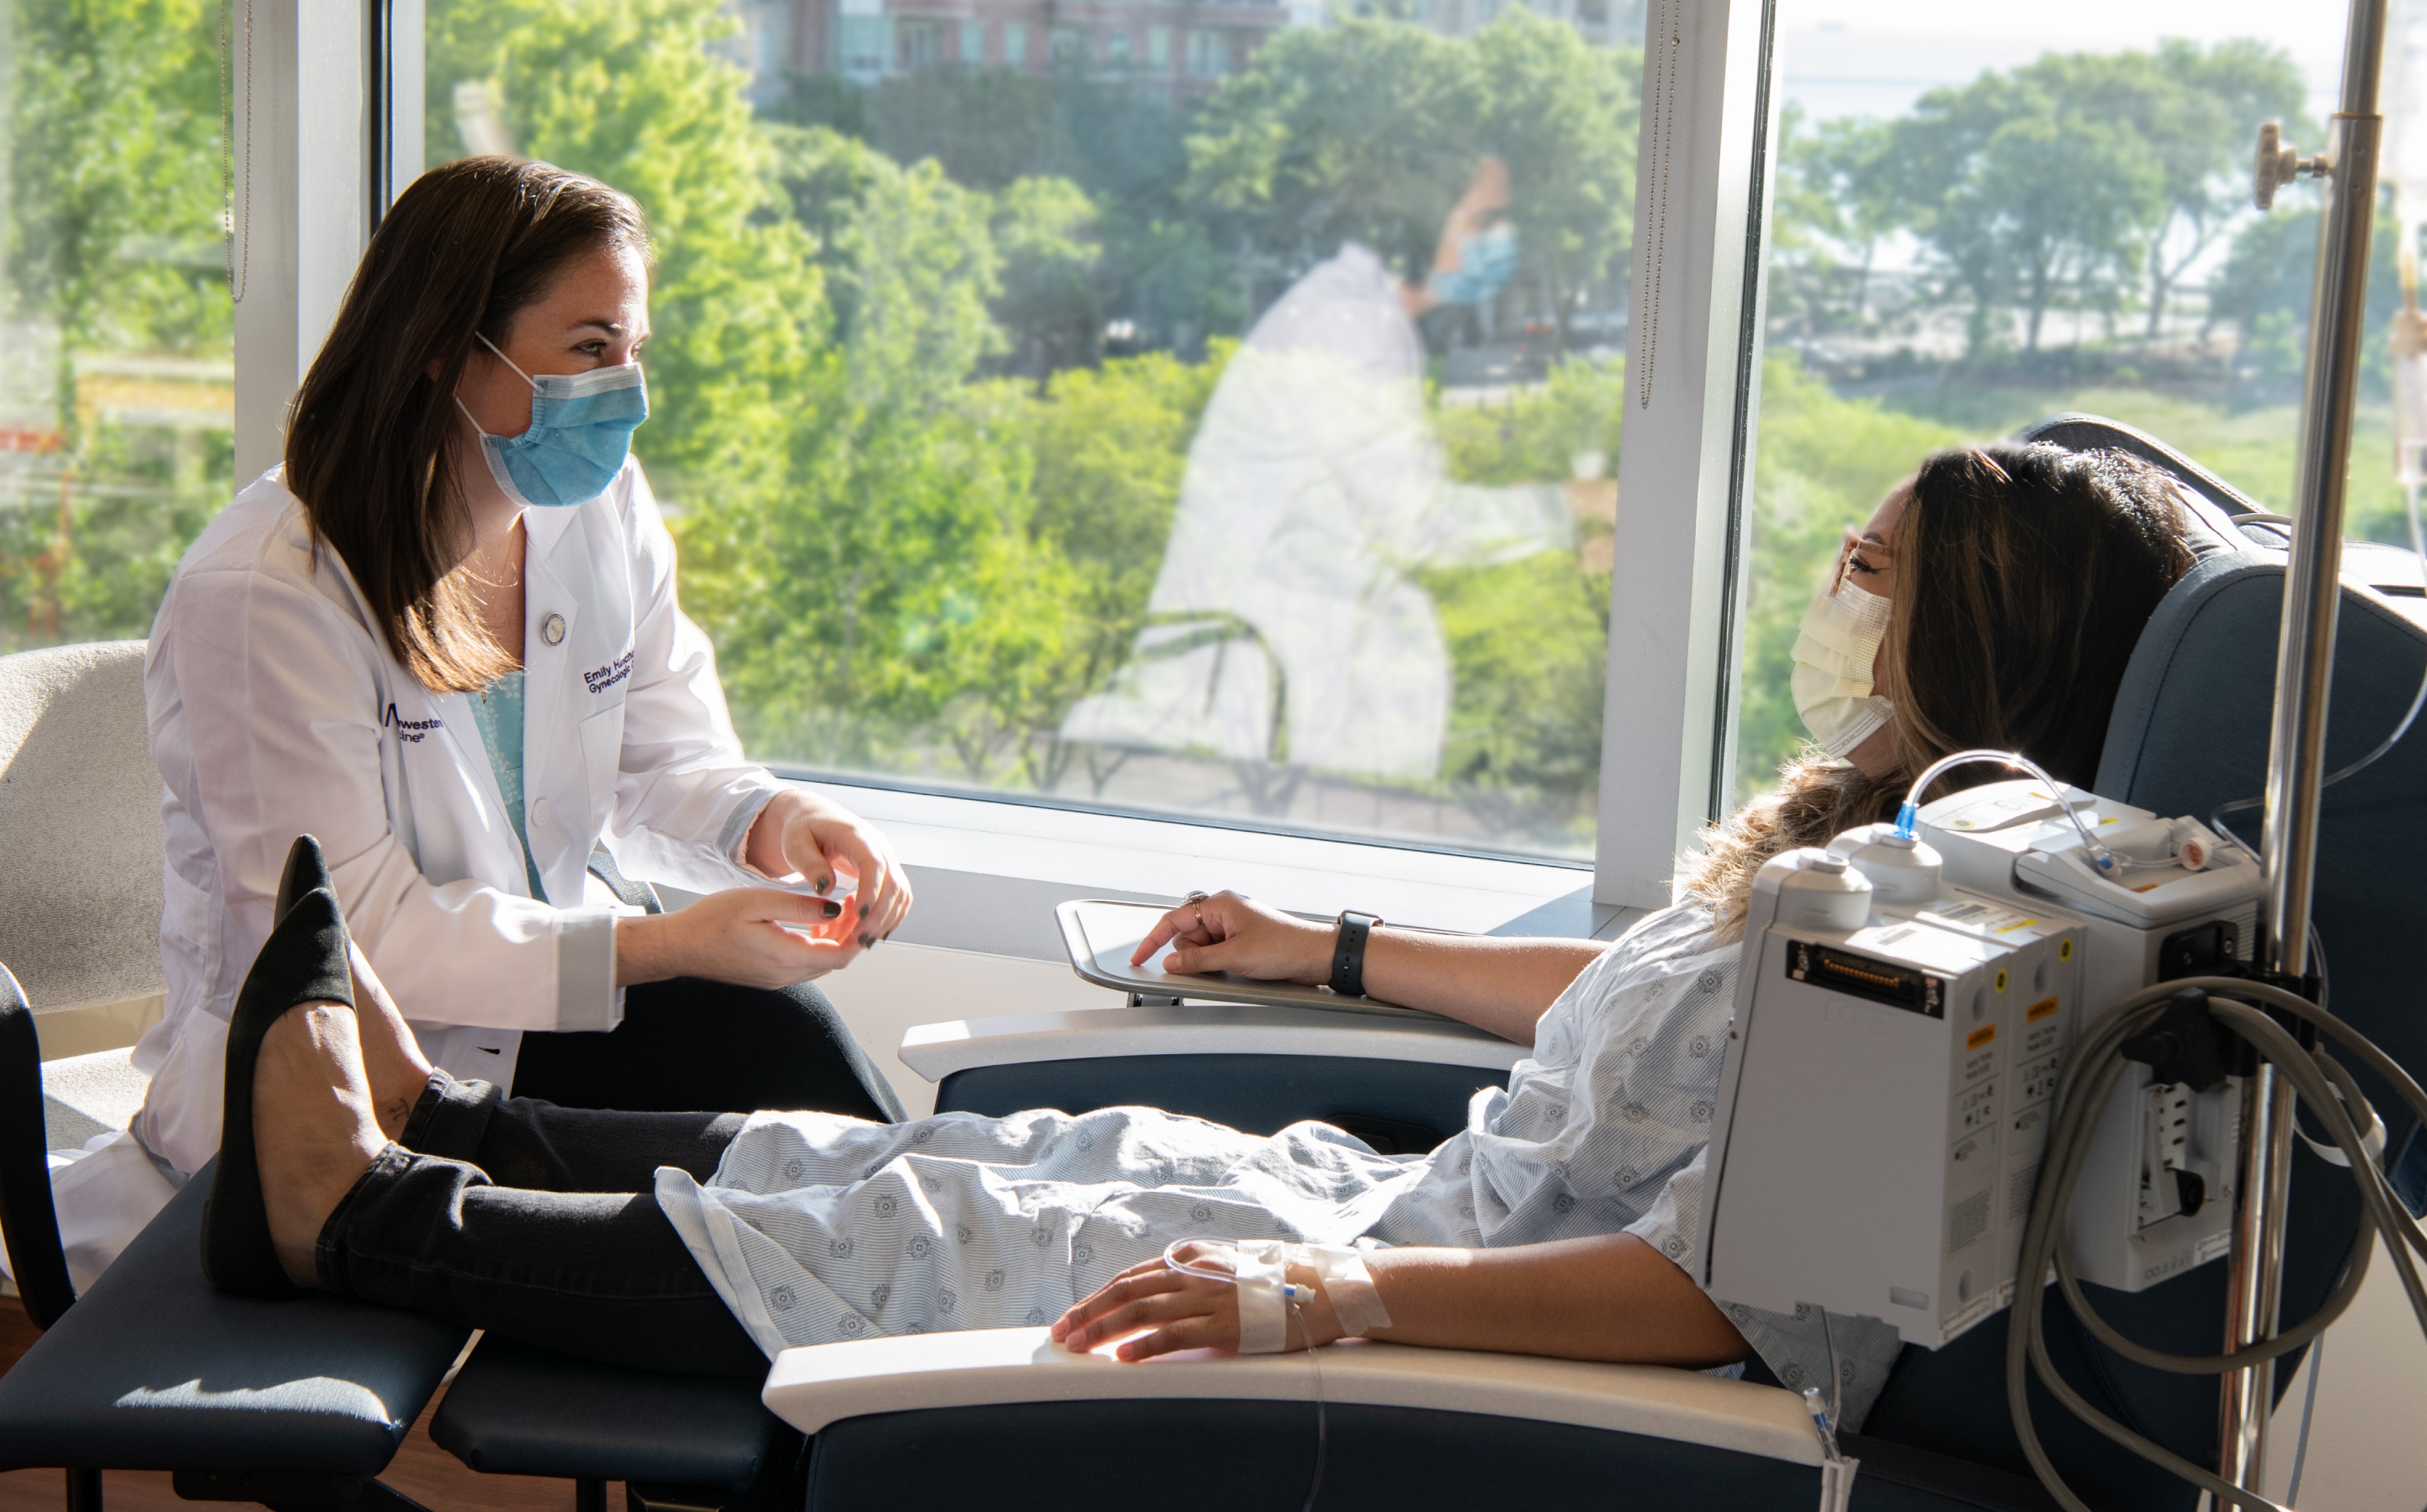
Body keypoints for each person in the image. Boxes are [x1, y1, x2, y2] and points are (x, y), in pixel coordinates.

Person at [200, 442, 2193, 1431]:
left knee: (935, 1233)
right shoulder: (1880, 834)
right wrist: (1327, 951)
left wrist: (1327, 1305)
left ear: (1989, 639)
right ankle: (457, 1142)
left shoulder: (1941, 954)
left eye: (1876, 579)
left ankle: (361, 1223)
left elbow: (1724, 1304)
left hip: (1436, 1304)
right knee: (963, 1156)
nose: (1839, 603)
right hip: (1413, 1206)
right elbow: (1644, 1023)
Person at [27, 158, 918, 1291]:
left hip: (534, 1023)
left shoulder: (594, 508)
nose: (628, 392)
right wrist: (668, 946)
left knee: (794, 1067)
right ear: (449, 349)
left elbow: (663, 751)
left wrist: (776, 818)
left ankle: (915, 1365)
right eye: (590, 350)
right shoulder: (269, 592)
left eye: (634, 349)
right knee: (744, 1219)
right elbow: (350, 945)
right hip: (355, 1077)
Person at [1059, 155, 1593, 787]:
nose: (1503, 240)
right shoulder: (1348, 326)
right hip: (1229, 723)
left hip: (1263, 709)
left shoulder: (1361, 316)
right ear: (1424, 216)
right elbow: (1418, 524)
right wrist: (1574, 505)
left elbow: (1381, 509)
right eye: (1487, 218)